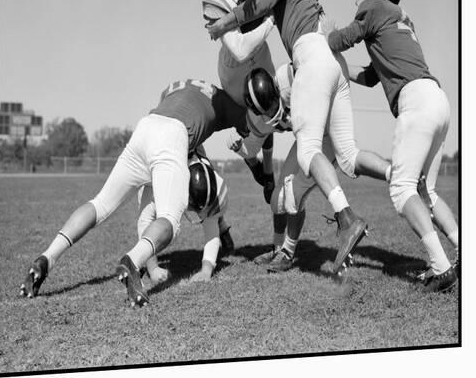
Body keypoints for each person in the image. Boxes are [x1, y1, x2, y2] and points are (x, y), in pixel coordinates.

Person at [207, 0, 382, 273]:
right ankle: (402, 176)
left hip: (312, 59)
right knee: (347, 154)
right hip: (333, 63)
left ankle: (346, 218)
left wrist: (224, 22)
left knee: (307, 151)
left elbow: (258, 4)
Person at [19, 78, 248, 307]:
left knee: (100, 204)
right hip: (173, 137)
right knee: (169, 220)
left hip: (146, 128)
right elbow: (252, 129)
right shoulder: (233, 108)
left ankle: (47, 257)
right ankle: (132, 261)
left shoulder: (180, 87)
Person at [321, 0, 459, 292]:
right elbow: (372, 76)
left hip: (416, 101)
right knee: (427, 192)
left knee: (401, 189)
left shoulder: (373, 6)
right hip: (437, 97)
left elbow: (341, 39)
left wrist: (328, 31)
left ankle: (441, 268)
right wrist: (345, 70)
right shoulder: (399, 15)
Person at [231, 64, 390, 274]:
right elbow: (252, 147)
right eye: (265, 111)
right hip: (306, 137)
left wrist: (361, 74)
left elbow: (326, 63)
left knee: (293, 194)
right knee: (277, 199)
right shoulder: (257, 117)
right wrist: (240, 147)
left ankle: (287, 253)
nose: (271, 113)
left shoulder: (294, 76)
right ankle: (277, 248)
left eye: (271, 105)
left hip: (327, 134)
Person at [199, 0, 282, 255]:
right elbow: (241, 48)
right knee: (252, 117)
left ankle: (266, 169)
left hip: (261, 53)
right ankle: (253, 157)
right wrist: (272, 18)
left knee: (271, 115)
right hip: (237, 64)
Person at [138, 149, 229, 284]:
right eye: (192, 207)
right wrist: (153, 268)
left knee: (213, 216)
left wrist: (206, 270)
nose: (194, 212)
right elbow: (145, 220)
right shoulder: (160, 182)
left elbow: (211, 232)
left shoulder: (218, 188)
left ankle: (222, 226)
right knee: (156, 221)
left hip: (190, 153)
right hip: (159, 161)